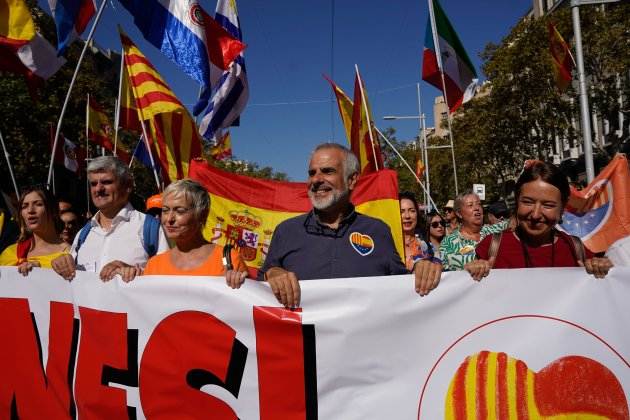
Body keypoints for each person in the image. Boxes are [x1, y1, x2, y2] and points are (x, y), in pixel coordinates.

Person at [258, 143, 440, 308]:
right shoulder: (286, 231)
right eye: (312, 173)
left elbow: (402, 288)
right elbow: (258, 290)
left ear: (352, 180)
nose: (316, 180)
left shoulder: (378, 231)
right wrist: (272, 273)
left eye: (327, 171)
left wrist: (422, 270)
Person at [467, 161, 613, 280]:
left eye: (548, 205)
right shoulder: (491, 247)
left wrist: (601, 268)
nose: (536, 215)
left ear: (562, 208)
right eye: (528, 202)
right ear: (517, 202)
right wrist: (472, 272)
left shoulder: (575, 249)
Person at [51, 156, 168, 282]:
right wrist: (59, 266)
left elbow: (167, 280)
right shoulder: (83, 234)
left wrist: (136, 274)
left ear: (127, 185)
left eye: (107, 182)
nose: (98, 189)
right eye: (93, 183)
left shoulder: (150, 228)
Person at [142, 179, 247, 288]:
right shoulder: (154, 265)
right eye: (165, 210)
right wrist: (130, 276)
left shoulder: (229, 260)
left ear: (202, 215)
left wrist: (239, 283)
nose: (169, 219)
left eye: (180, 211)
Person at [0, 186, 69, 275]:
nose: (30, 210)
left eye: (38, 204)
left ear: (53, 211)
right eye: (24, 206)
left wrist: (40, 273)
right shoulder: (10, 253)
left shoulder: (70, 254)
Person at [439, 191, 507, 271]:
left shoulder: (494, 230)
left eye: (479, 204)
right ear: (459, 214)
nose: (477, 208)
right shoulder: (448, 242)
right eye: (470, 205)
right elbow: (447, 267)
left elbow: (514, 222)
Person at [400, 192, 431, 270]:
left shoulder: (426, 246)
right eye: (401, 211)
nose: (407, 216)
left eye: (412, 211)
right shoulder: (389, 246)